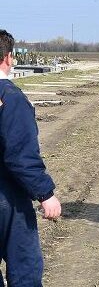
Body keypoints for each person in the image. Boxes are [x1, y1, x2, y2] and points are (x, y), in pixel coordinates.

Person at [0, 29, 62, 286]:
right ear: (9, 57)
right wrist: (45, 194)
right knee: (24, 268)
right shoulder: (11, 99)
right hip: (7, 199)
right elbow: (19, 154)